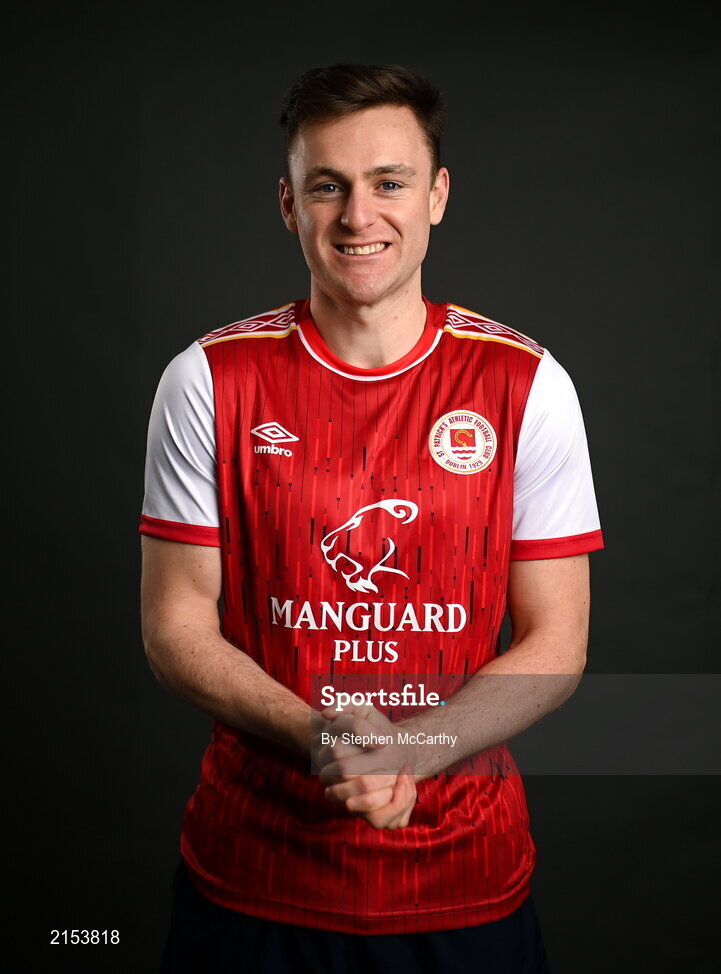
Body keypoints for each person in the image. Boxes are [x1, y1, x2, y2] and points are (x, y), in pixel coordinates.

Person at [140, 63, 604, 973]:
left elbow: (558, 641)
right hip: (253, 878)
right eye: (328, 186)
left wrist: (417, 751)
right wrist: (323, 737)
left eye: (388, 182)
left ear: (436, 195)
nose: (359, 216)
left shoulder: (525, 385)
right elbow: (172, 627)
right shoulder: (207, 380)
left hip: (462, 882)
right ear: (289, 204)